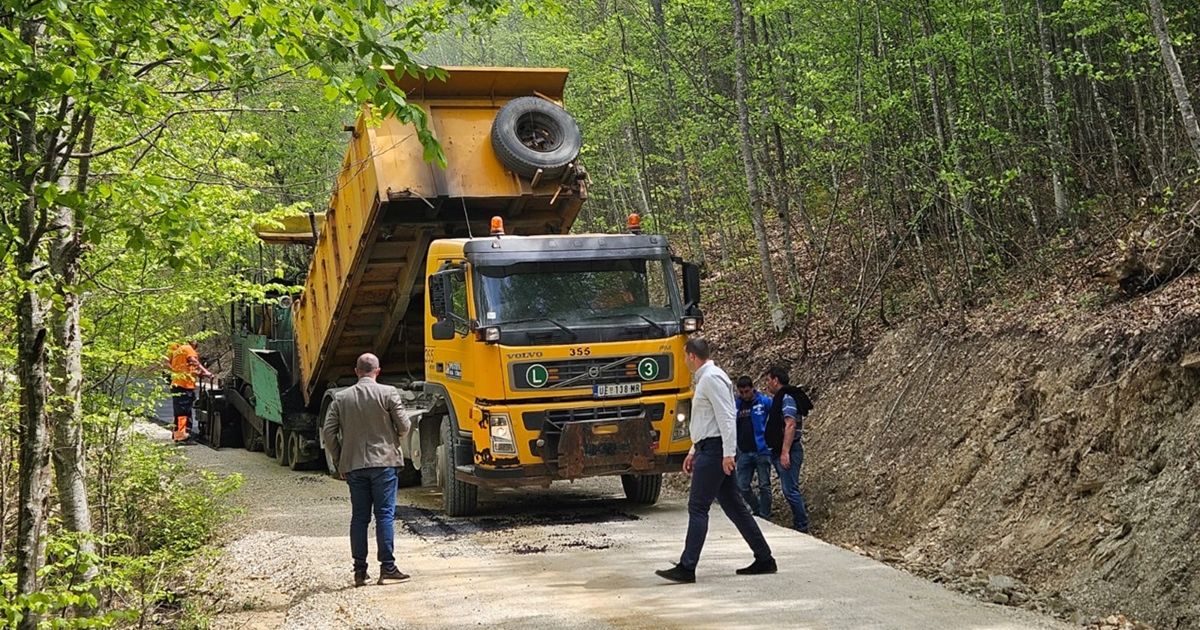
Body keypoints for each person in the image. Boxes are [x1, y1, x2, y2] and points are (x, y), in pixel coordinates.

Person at [655, 338, 776, 583]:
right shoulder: (705, 378)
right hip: (708, 447)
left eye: (685, 356)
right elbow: (705, 421)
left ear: (691, 356)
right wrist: (692, 450)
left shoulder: (711, 378)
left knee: (698, 506)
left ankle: (687, 567)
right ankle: (764, 558)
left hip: (716, 450)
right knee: (734, 506)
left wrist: (728, 454)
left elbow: (726, 417)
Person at [321, 353, 412, 587]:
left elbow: (328, 434)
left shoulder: (341, 399)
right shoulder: (388, 393)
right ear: (377, 371)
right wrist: (392, 440)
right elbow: (404, 426)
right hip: (384, 463)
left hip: (354, 466)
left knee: (359, 518)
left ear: (356, 371)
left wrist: (341, 458)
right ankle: (387, 568)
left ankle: (360, 572)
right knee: (384, 515)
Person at [763, 365, 814, 533]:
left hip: (790, 450)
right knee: (788, 489)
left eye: (769, 380)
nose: (767, 384)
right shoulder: (780, 398)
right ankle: (799, 522)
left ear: (776, 380)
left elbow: (790, 424)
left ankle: (802, 525)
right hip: (778, 450)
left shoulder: (786, 398)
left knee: (790, 489)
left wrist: (785, 452)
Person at [734, 376, 773, 518]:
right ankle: (756, 508)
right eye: (742, 392)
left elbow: (777, 413)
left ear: (752, 388)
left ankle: (765, 514)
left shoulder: (763, 402)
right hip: (744, 451)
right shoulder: (736, 405)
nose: (745, 395)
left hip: (762, 450)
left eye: (747, 391)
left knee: (764, 485)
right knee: (741, 485)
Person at [168, 340, 212, 445]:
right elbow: (193, 360)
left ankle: (179, 435)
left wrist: (198, 374)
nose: (195, 350)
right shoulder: (187, 349)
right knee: (183, 412)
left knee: (181, 412)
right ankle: (182, 437)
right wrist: (206, 371)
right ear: (193, 344)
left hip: (178, 384)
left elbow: (185, 368)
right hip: (183, 385)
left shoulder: (178, 351)